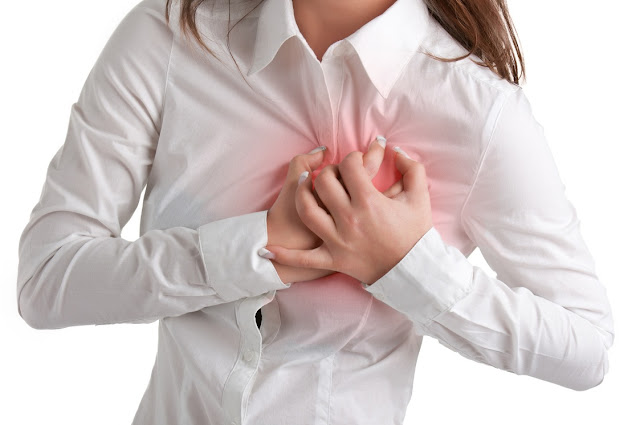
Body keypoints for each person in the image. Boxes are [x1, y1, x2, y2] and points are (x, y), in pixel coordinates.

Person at [16, 0, 614, 424]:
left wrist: (406, 265)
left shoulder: (479, 112)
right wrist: (255, 247)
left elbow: (587, 347)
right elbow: (45, 280)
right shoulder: (169, 38)